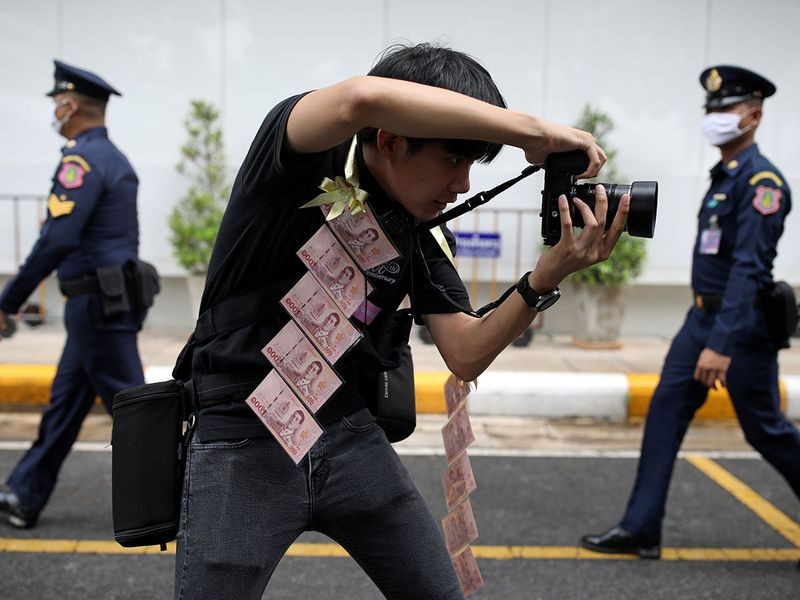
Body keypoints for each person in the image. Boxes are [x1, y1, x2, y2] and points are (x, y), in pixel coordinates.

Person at [175, 42, 628, 599]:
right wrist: (531, 133)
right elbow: (362, 98)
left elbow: (464, 352)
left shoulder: (419, 229)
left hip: (347, 435)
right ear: (389, 139)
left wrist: (544, 278)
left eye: (471, 165)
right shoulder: (297, 158)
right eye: (452, 159)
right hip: (241, 437)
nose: (462, 184)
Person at [581, 65, 798, 560]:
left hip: (739, 327)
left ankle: (641, 525)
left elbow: (749, 269)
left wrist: (721, 344)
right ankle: (641, 528)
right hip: (700, 320)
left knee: (764, 427)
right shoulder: (726, 177)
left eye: (726, 109)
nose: (715, 117)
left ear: (755, 116)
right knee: (664, 413)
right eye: (711, 109)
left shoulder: (763, 183)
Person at [0, 61, 146, 529]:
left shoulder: (82, 161)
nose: (54, 111)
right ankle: (24, 495)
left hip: (98, 305)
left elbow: (58, 239)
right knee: (65, 404)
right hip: (101, 303)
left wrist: (8, 298)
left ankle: (185, 497)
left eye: (56, 103)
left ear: (69, 104)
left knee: (136, 412)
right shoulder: (113, 158)